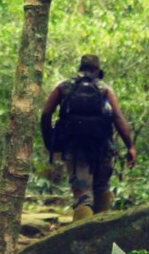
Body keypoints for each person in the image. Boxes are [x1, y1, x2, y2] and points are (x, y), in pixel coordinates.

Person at [41, 54, 136, 221]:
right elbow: (118, 118)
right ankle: (102, 239)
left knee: (82, 196)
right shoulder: (104, 89)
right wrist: (130, 146)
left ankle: (82, 239)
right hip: (102, 147)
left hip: (74, 148)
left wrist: (50, 141)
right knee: (102, 189)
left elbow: (46, 113)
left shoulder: (64, 87)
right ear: (97, 70)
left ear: (80, 67)